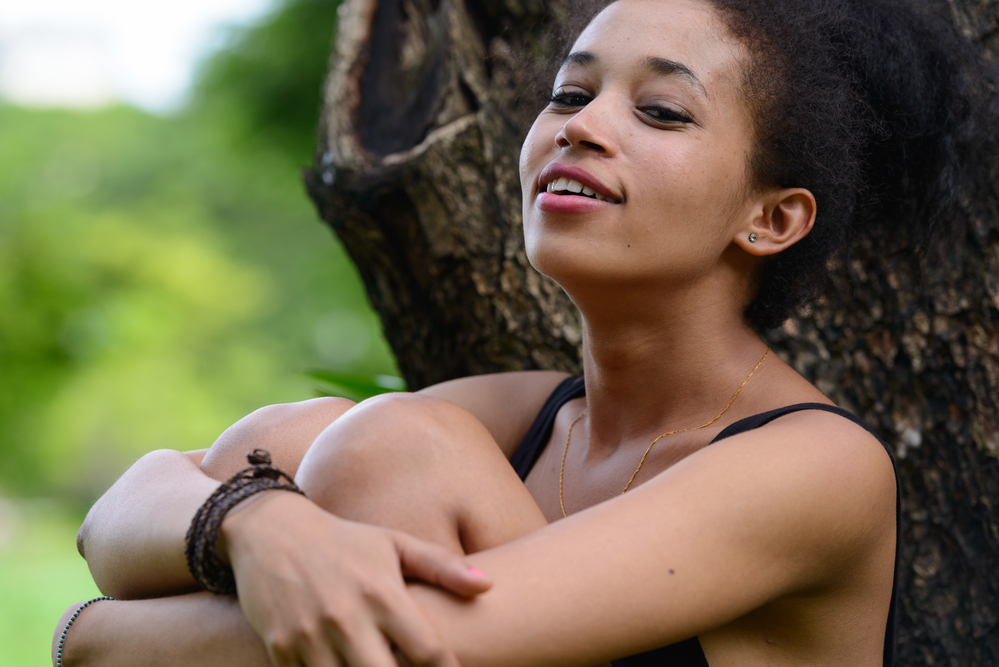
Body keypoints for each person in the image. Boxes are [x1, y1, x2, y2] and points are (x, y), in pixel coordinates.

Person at [55, 0, 995, 665]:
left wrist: (90, 638)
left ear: (771, 219)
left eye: (660, 110)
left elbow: (412, 648)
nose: (583, 127)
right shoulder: (518, 414)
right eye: (568, 94)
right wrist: (259, 526)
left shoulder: (819, 467)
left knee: (394, 441)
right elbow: (121, 514)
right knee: (342, 437)